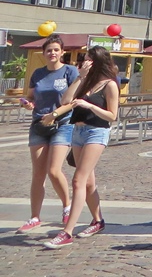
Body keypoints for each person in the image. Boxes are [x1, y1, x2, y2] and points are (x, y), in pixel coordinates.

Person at [41, 46, 120, 248]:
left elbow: (112, 116)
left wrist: (91, 106)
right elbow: (65, 101)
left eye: (88, 60)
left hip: (96, 131)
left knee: (78, 180)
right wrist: (79, 78)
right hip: (77, 131)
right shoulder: (86, 82)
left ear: (98, 61)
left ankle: (67, 232)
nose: (84, 63)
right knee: (88, 183)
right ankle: (98, 220)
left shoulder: (109, 85)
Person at [17, 34, 78, 234]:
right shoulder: (38, 74)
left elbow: (72, 101)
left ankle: (67, 206)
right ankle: (35, 217)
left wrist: (54, 114)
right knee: (38, 173)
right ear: (43, 53)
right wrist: (27, 103)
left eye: (55, 50)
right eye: (48, 50)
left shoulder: (70, 71)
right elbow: (31, 96)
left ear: (62, 52)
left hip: (62, 123)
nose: (52, 53)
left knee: (53, 170)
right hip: (39, 124)